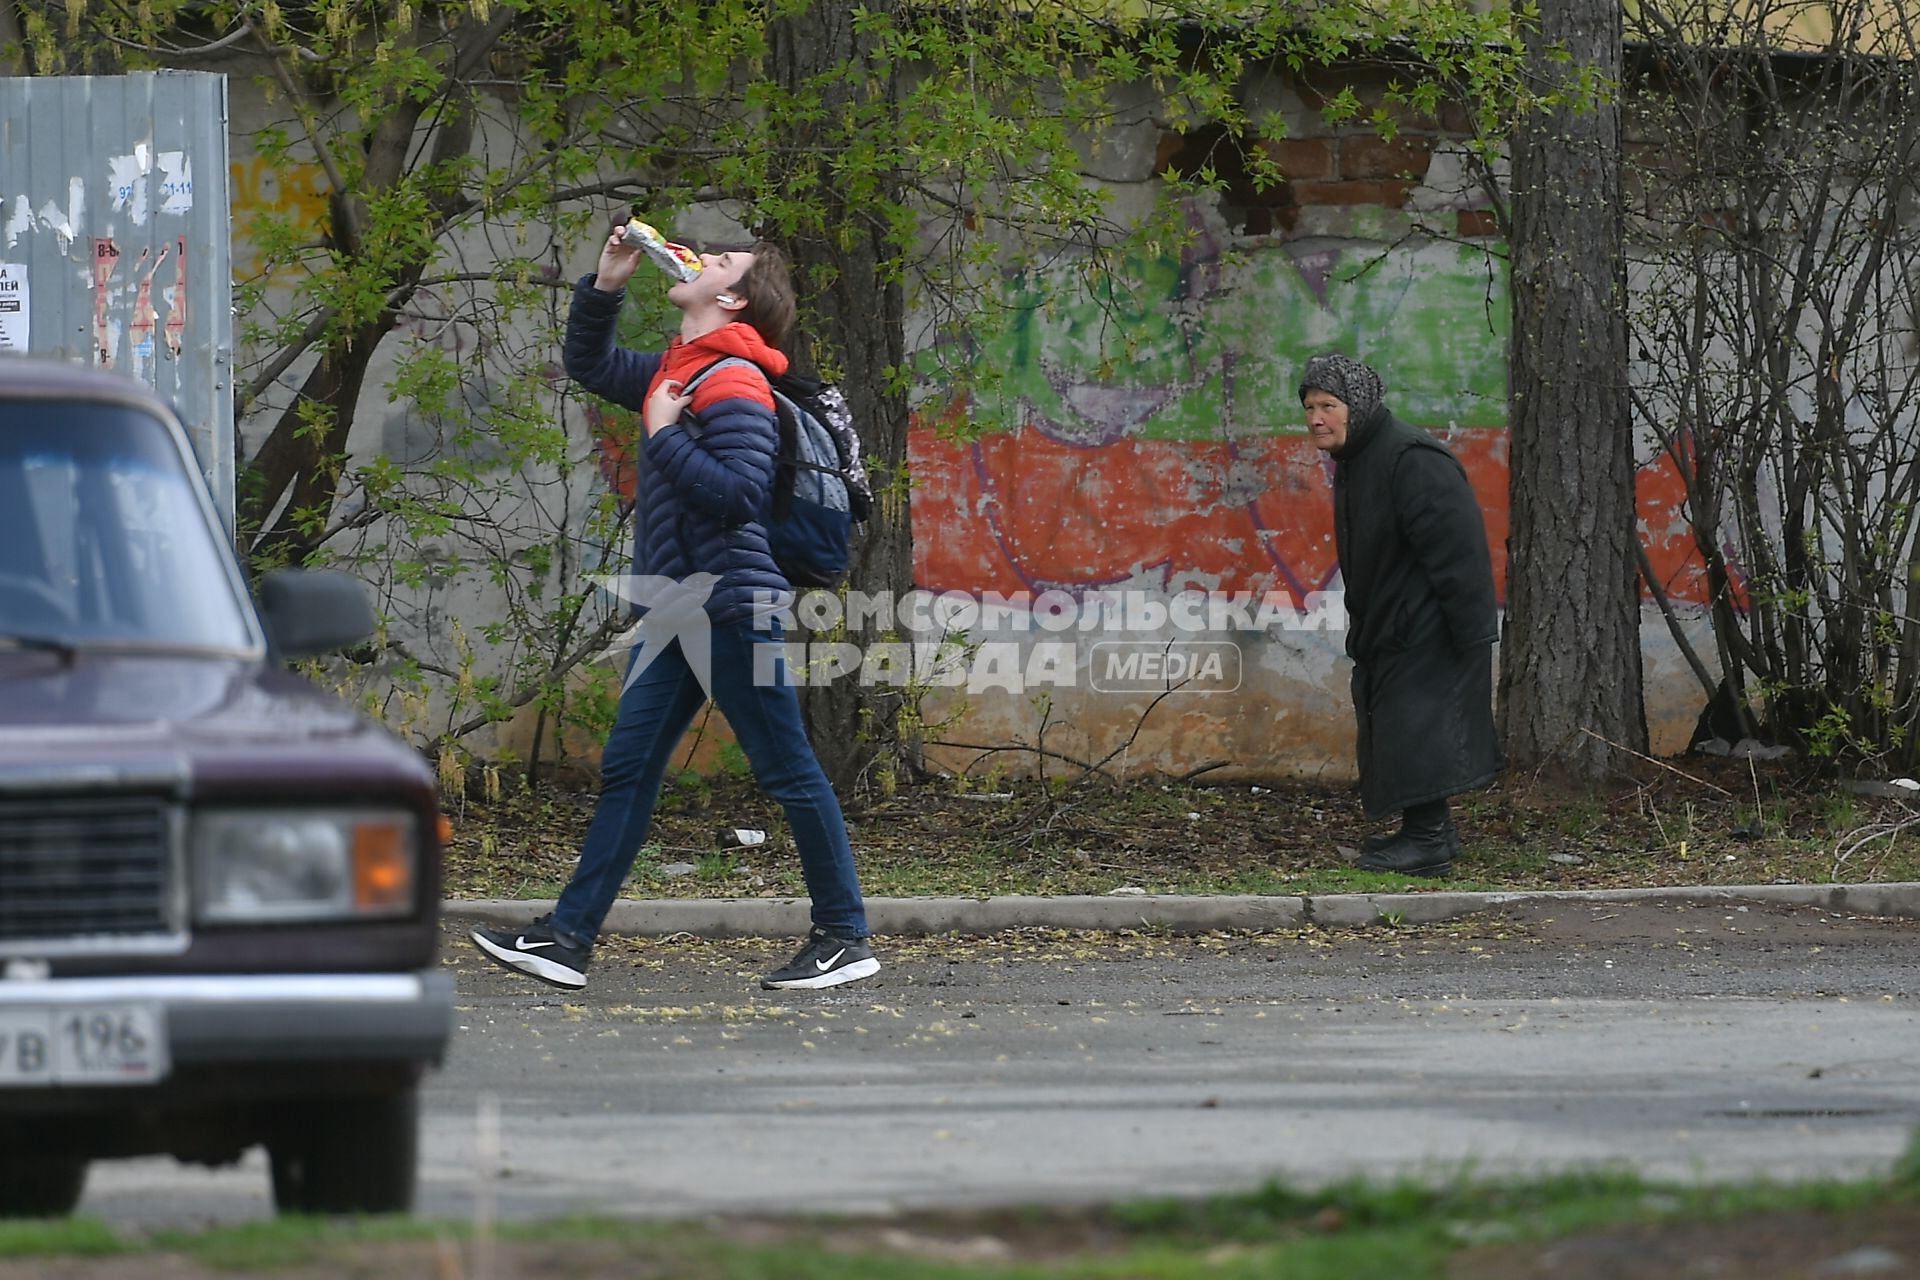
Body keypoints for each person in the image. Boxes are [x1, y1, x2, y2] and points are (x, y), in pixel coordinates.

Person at [471, 229, 880, 991]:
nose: (700, 257)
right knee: (629, 768)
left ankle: (844, 937)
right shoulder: (679, 369)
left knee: (787, 769)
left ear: (731, 299)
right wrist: (607, 284)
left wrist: (660, 431)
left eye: (721, 262)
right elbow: (591, 365)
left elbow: (738, 495)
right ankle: (567, 941)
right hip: (678, 609)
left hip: (726, 600)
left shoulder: (731, 380)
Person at [1300, 353, 1501, 877]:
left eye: (1328, 406)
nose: (1316, 418)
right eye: (1310, 406)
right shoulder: (1360, 458)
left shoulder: (1411, 459)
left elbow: (1459, 552)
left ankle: (1428, 841)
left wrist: (1471, 633)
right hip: (1392, 624)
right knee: (1397, 727)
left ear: (1357, 406)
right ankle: (1426, 831)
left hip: (1428, 626)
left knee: (1417, 727)